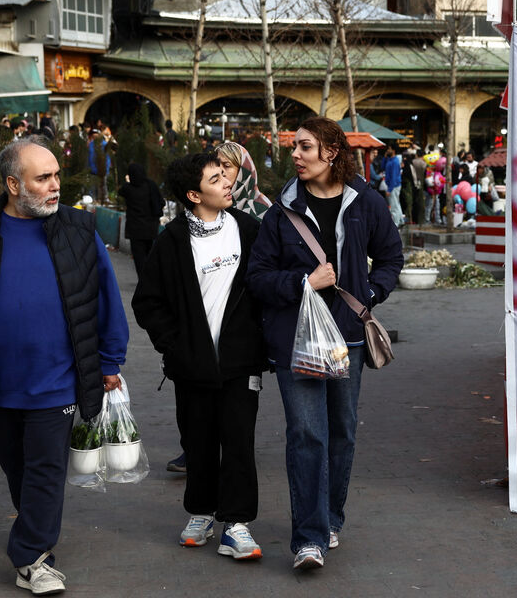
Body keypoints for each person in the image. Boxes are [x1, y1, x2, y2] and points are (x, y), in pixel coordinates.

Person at [0, 135, 128, 594]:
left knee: (46, 470)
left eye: (56, 176)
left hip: (58, 380)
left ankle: (32, 557)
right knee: (16, 465)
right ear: (13, 185)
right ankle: (33, 542)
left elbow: (105, 299)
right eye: (43, 178)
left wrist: (111, 359)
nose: (55, 186)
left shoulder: (79, 228)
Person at [247, 117, 403, 571]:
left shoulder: (365, 202)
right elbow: (258, 278)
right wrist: (303, 283)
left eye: (305, 147)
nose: (295, 155)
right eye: (295, 147)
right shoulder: (282, 211)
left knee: (341, 432)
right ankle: (308, 539)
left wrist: (370, 293)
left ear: (331, 152)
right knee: (306, 434)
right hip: (294, 341)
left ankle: (331, 518)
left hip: (346, 340)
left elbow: (391, 257)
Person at [131, 152, 269, 561]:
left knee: (239, 442)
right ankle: (201, 513)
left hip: (241, 362)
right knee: (199, 441)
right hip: (192, 366)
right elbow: (147, 302)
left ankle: (237, 524)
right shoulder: (172, 240)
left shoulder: (249, 229)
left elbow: (266, 286)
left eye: (225, 174)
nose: (227, 182)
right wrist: (175, 346)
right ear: (194, 195)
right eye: (215, 178)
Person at [118, 162, 164, 276]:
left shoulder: (128, 188)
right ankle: (150, 279)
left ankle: (143, 280)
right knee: (149, 254)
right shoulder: (150, 185)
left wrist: (128, 181)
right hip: (150, 227)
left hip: (135, 229)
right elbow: (161, 202)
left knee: (139, 257)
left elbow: (120, 191)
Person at [216, 141, 273, 220]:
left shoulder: (263, 209)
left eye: (226, 165)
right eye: (217, 165)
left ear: (243, 171)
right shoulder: (209, 201)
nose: (220, 170)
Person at [383, 146, 403, 226]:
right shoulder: (391, 160)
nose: (388, 150)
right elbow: (382, 167)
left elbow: (394, 177)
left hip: (394, 186)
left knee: (394, 206)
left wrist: (389, 189)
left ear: (393, 151)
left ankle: (396, 224)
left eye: (389, 149)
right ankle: (400, 221)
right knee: (396, 204)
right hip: (394, 185)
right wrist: (385, 158)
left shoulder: (394, 161)